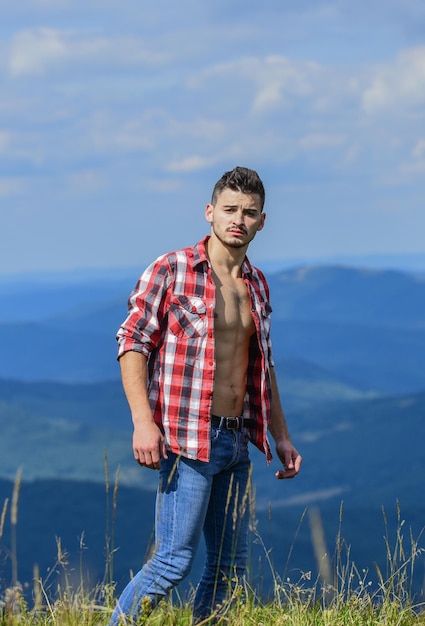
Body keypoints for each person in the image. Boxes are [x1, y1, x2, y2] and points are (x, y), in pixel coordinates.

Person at [109, 166, 302, 625]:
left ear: (262, 221)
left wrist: (283, 437)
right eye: (230, 209)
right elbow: (132, 340)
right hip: (188, 439)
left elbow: (263, 366)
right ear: (210, 212)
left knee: (229, 569)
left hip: (237, 442)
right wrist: (142, 420)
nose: (239, 219)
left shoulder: (256, 285)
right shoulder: (172, 269)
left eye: (249, 212)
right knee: (173, 561)